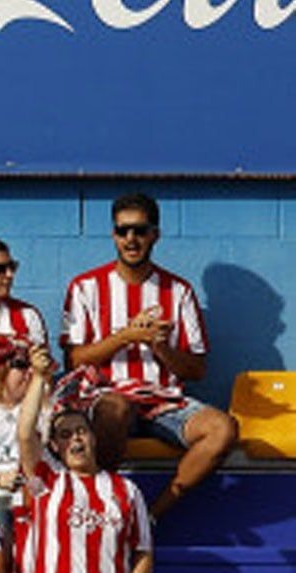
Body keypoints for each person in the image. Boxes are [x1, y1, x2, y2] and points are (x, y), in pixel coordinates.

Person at [64, 192, 237, 515]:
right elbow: (73, 360)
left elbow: (196, 370)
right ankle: (105, 509)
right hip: (107, 396)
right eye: (122, 231)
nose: (131, 239)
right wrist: (126, 336)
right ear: (113, 235)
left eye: (140, 230)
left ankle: (151, 515)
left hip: (163, 403)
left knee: (222, 429)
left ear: (154, 234)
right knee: (114, 408)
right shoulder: (85, 287)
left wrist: (158, 346)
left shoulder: (179, 291)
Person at [13, 400, 154, 573]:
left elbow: (143, 552)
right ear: (54, 446)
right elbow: (24, 434)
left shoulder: (126, 490)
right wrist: (40, 379)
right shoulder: (47, 481)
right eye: (65, 435)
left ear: (93, 437)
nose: (75, 438)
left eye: (81, 431)